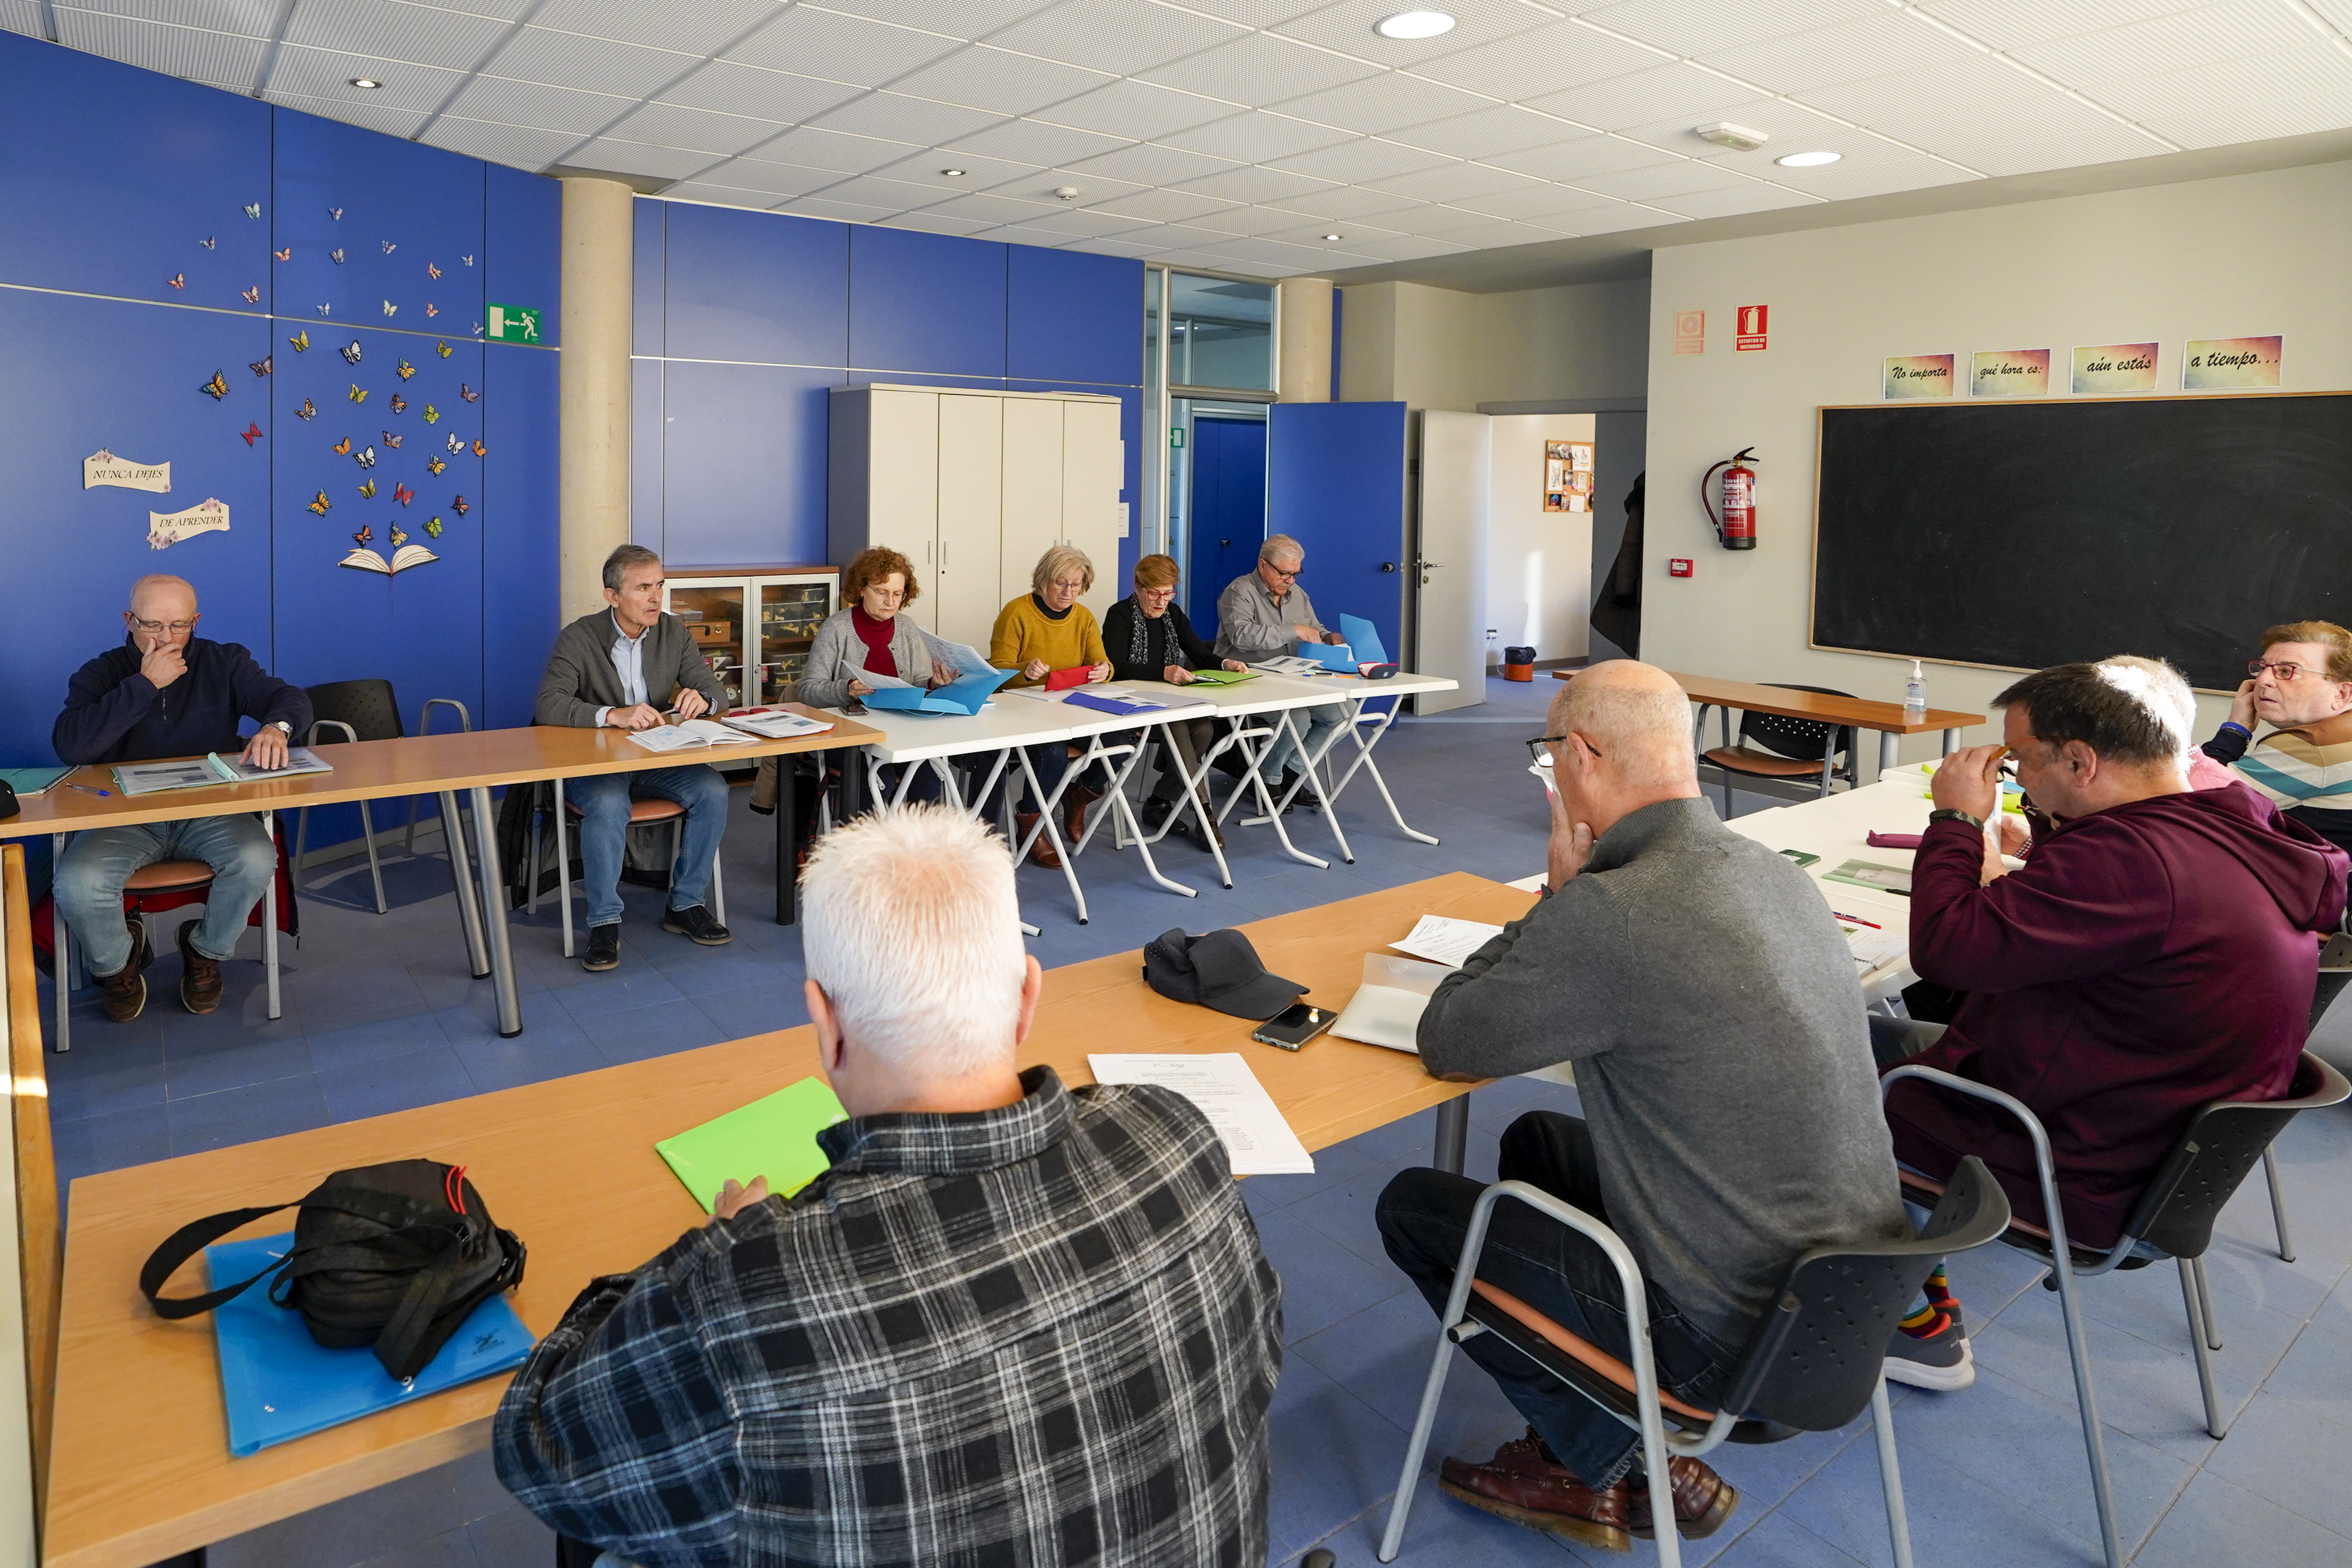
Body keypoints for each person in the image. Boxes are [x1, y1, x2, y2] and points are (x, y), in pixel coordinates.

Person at [494, 805, 1284, 1568]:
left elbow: (536, 1449)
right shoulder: (1178, 1135)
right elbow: (1262, 1349)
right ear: (1027, 997)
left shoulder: (749, 1290)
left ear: (825, 1023)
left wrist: (712, 1250)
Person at [1374, 662, 1906, 1552]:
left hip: (1726, 1345)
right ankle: (1619, 1451)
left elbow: (1450, 1036)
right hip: (1844, 1307)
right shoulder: (1771, 870)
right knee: (1539, 1144)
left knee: (1413, 1208)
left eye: (1551, 754)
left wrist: (1556, 896)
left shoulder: (1613, 911)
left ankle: (1604, 1464)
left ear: (1582, 756)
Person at [1877, 661, 2346, 1386]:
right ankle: (1908, 1262)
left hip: (2075, 1164)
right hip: (2151, 1136)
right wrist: (2044, 820)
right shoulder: (2234, 819)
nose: (2017, 779)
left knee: (1817, 1093)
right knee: (1888, 1039)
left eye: (2021, 761)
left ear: (2081, 761)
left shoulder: (2131, 859)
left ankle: (1905, 1322)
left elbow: (1945, 949)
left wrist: (1956, 820)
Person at [53, 574, 311, 1021]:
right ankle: (119, 964)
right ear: (129, 619)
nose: (167, 638)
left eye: (179, 625)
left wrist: (277, 727)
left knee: (256, 859)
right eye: (152, 625)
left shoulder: (224, 661)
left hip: (208, 812)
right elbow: (72, 746)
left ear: (196, 620)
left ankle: (204, 950)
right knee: (78, 882)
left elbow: (288, 697)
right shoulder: (101, 672)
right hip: (125, 817)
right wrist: (144, 685)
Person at [534, 544, 733, 972]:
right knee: (608, 803)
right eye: (643, 588)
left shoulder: (673, 631)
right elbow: (549, 703)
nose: (656, 597)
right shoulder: (579, 637)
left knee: (713, 790)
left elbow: (717, 692)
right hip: (598, 765)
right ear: (612, 596)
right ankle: (604, 922)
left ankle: (685, 905)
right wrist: (612, 715)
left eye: (660, 585)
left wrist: (704, 700)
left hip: (655, 758)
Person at [750, 546, 953, 818]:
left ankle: (915, 844)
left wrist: (932, 684)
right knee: (876, 779)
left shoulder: (905, 626)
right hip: (846, 736)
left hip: (898, 730)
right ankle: (866, 844)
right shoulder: (837, 628)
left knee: (928, 776)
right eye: (881, 592)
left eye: (898, 594)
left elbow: (914, 681)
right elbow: (808, 691)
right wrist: (847, 690)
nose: (890, 602)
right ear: (861, 588)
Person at [1101, 554, 1248, 851]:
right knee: (1179, 726)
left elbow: (1199, 653)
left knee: (1204, 729)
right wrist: (1163, 672)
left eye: (1168, 593)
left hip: (1169, 701)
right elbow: (1116, 666)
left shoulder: (1173, 615)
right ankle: (1205, 812)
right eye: (1154, 594)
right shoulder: (1120, 615)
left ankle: (1159, 801)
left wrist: (1225, 664)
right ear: (1138, 587)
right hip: (1131, 704)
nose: (1161, 602)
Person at [988, 545, 1110, 869]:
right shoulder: (1017, 612)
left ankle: (1078, 796)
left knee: (1121, 742)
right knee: (1053, 752)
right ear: (1043, 581)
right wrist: (1024, 670)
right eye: (1061, 583)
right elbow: (997, 671)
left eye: (1076, 585)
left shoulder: (1083, 617)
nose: (1068, 592)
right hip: (1021, 711)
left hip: (1071, 708)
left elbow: (1102, 662)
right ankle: (1032, 823)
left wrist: (1104, 671)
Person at [1212, 535, 1346, 807]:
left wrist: (1328, 636)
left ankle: (1290, 774)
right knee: (1296, 719)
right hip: (1248, 678)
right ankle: (1267, 779)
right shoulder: (1238, 592)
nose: (1291, 581)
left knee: (1344, 713)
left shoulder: (1299, 595)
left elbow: (1314, 628)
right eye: (1284, 573)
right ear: (1263, 565)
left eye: (1296, 574)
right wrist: (1293, 630)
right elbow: (1242, 636)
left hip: (1293, 679)